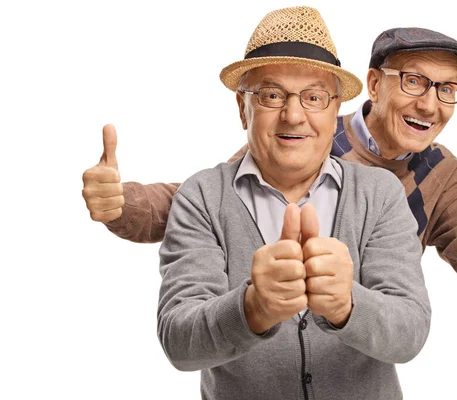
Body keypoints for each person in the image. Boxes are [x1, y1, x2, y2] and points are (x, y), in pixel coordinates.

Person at [82, 19, 457, 288]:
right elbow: (207, 200)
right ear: (375, 84)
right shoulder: (312, 134)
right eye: (414, 81)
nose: (429, 104)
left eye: (447, 89)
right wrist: (122, 202)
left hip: (361, 358)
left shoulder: (442, 172)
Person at [130, 6, 429, 399]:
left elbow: (410, 333)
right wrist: (252, 308)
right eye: (271, 95)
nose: (293, 115)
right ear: (243, 108)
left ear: (336, 109)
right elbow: (179, 343)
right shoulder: (201, 196)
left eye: (314, 97)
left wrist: (348, 305)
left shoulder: (380, 193)